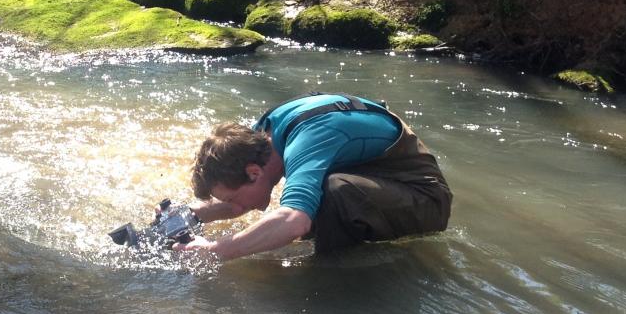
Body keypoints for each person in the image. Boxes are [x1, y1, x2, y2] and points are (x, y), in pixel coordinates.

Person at [178, 92, 452, 262]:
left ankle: (330, 274)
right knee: (320, 195)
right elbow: (243, 199)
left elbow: (293, 221)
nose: (234, 205)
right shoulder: (259, 139)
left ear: (254, 173)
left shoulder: (308, 140)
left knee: (333, 192)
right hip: (378, 182)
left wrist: (216, 250)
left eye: (230, 198)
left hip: (425, 201)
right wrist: (192, 214)